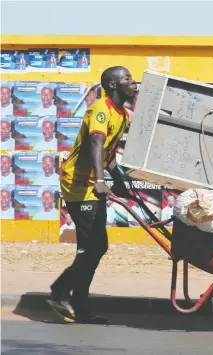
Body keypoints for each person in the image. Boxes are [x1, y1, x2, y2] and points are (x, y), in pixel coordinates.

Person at [47, 66, 137, 324]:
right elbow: (96, 144)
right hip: (78, 183)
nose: (133, 82)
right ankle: (60, 291)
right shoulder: (100, 108)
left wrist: (118, 179)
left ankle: (78, 305)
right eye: (127, 79)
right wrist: (100, 181)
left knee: (95, 247)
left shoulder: (123, 115)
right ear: (112, 84)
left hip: (91, 183)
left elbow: (106, 153)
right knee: (93, 246)